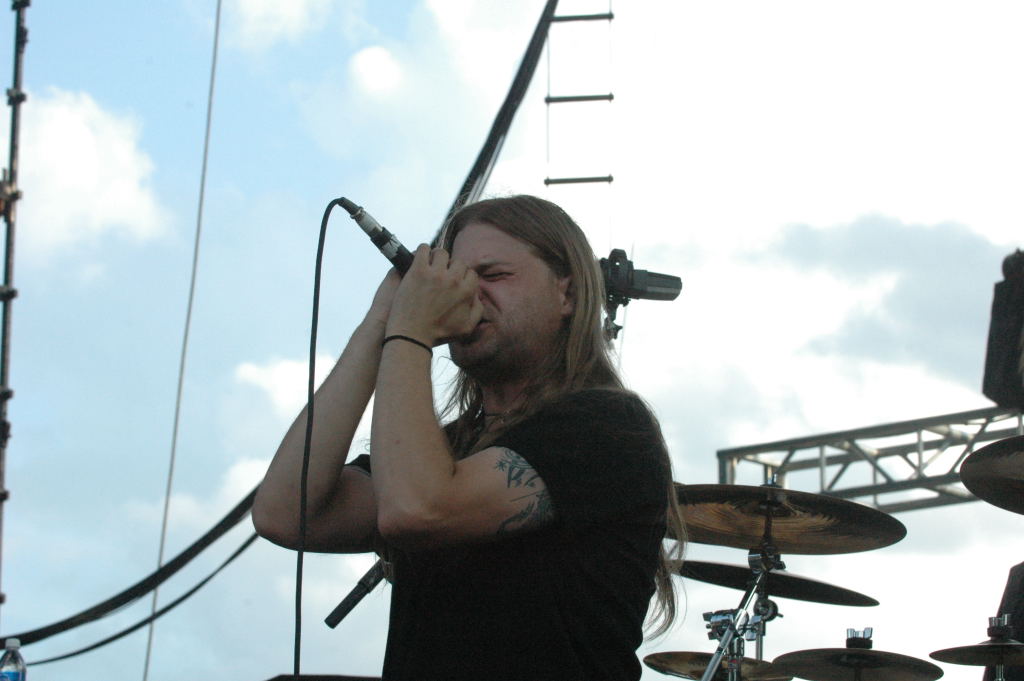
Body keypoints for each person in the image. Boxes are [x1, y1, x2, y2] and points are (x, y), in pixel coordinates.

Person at [252, 195, 683, 681]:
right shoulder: (445, 449)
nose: (465, 294)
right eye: (455, 278)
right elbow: (286, 515)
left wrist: (411, 329)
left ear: (567, 294)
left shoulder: (608, 427)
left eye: (493, 275)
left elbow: (418, 509)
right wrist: (380, 322)